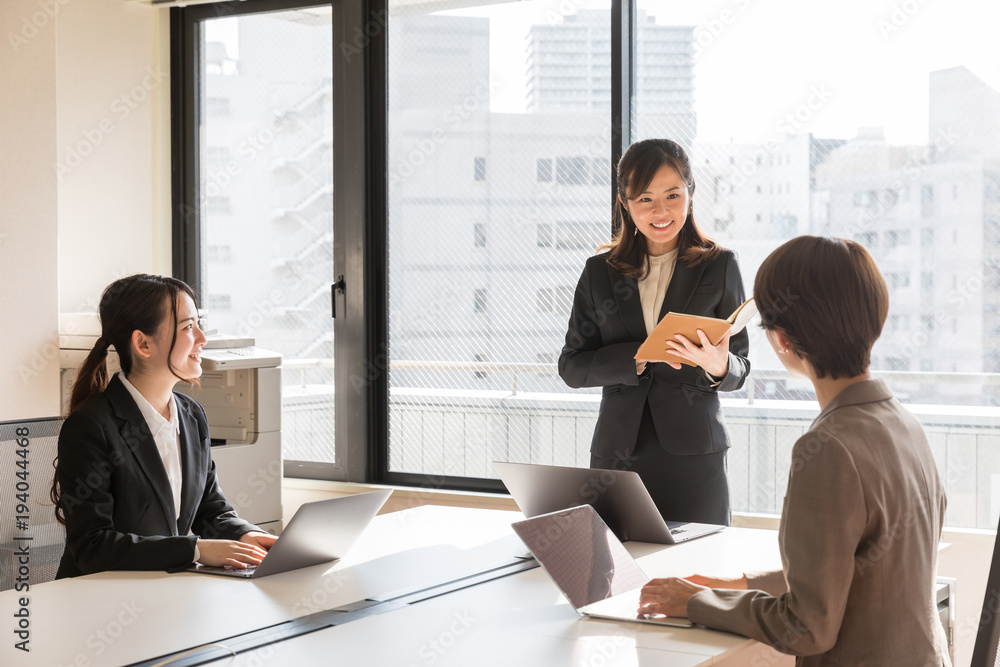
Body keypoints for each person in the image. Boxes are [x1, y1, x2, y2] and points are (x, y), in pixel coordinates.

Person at [637, 237, 950, 666]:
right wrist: (737, 584)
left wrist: (698, 603)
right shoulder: (905, 425)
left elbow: (807, 626)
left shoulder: (830, 448)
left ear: (780, 339)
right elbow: (842, 569)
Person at [559, 138, 750, 525]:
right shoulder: (599, 272)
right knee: (614, 573)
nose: (660, 211)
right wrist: (637, 358)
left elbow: (741, 367)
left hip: (695, 456)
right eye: (645, 199)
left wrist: (719, 365)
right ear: (625, 203)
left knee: (696, 576)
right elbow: (571, 367)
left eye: (673, 195)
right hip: (617, 454)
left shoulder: (720, 266)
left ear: (691, 194)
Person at [52, 274, 277, 578]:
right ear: (143, 343)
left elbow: (209, 509)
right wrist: (196, 550)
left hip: (165, 590)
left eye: (199, 324)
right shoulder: (90, 426)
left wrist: (245, 535)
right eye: (187, 327)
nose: (201, 338)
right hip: (100, 600)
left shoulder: (192, 415)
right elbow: (93, 547)